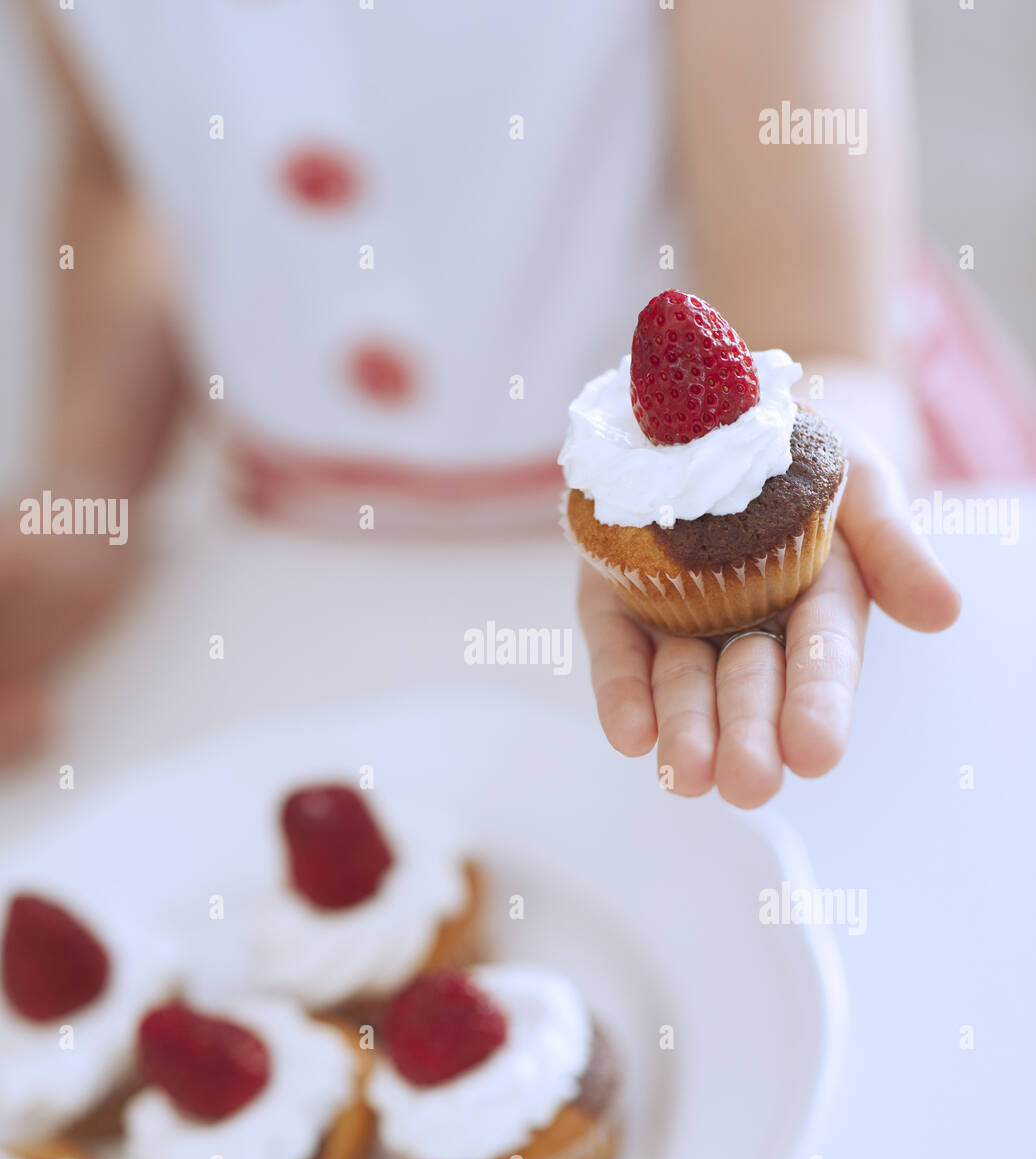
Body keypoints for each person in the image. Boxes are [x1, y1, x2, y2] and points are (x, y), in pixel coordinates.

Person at [0, 0, 960, 804]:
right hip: (301, 562)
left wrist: (835, 432)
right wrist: (90, 478)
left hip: (675, 520)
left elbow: (815, 325)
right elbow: (116, 161)